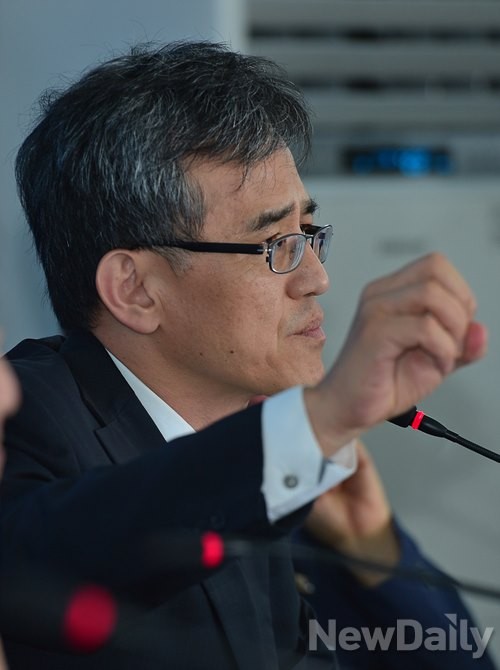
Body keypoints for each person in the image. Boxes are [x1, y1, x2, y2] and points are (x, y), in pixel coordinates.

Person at [0, 41, 493, 669]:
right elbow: (56, 553)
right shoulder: (25, 414)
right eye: (275, 244)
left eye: (308, 233)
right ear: (136, 289)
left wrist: (374, 551)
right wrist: (320, 421)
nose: (316, 278)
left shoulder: (263, 455)